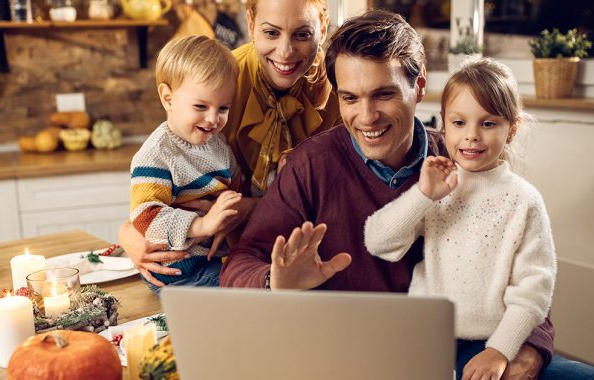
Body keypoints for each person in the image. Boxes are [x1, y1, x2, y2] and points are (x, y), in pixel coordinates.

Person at [220, 10, 594, 379]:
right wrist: (275, 282)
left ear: (418, 87)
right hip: (350, 356)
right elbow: (241, 263)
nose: (366, 117)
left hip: (464, 353)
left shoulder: (465, 159)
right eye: (350, 98)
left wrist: (528, 351)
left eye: (383, 94)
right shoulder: (310, 167)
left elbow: (529, 281)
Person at [119, 0, 340, 288]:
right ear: (250, 24)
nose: (285, 52)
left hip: (308, 251)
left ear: (322, 28)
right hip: (223, 258)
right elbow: (167, 181)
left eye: (302, 34)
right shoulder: (222, 76)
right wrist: (128, 232)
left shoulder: (343, 85)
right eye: (271, 33)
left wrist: (255, 203)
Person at [363, 58, 556, 380]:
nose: (472, 136)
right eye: (459, 122)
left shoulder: (525, 200)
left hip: (489, 343)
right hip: (423, 339)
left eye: (488, 123)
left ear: (513, 129)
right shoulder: (437, 186)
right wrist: (424, 195)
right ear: (444, 123)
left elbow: (534, 292)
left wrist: (500, 351)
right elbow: (378, 241)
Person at [129, 35, 242, 292]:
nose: (213, 118)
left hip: (212, 260)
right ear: (168, 99)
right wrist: (203, 224)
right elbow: (146, 216)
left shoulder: (218, 146)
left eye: (223, 108)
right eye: (201, 106)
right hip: (176, 272)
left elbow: (237, 187)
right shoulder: (157, 153)